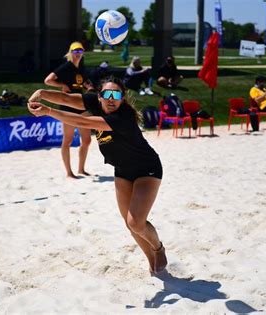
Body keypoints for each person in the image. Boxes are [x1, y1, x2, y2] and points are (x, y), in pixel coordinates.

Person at [27, 76, 168, 275]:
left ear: (123, 98)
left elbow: (81, 120)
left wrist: (48, 111)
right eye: (107, 94)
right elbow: (67, 99)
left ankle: (158, 248)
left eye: (116, 94)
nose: (111, 99)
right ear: (99, 97)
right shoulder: (96, 102)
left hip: (147, 169)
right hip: (122, 171)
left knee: (135, 222)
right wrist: (41, 94)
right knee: (131, 225)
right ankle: (152, 264)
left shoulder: (123, 117)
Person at [44, 41, 91, 178]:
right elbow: (48, 80)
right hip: (68, 107)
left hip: (81, 105)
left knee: (87, 140)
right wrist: (62, 85)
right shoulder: (66, 66)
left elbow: (82, 83)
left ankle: (81, 169)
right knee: (68, 140)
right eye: (75, 51)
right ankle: (69, 173)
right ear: (71, 53)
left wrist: (88, 86)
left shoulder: (81, 68)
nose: (78, 54)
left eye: (80, 51)